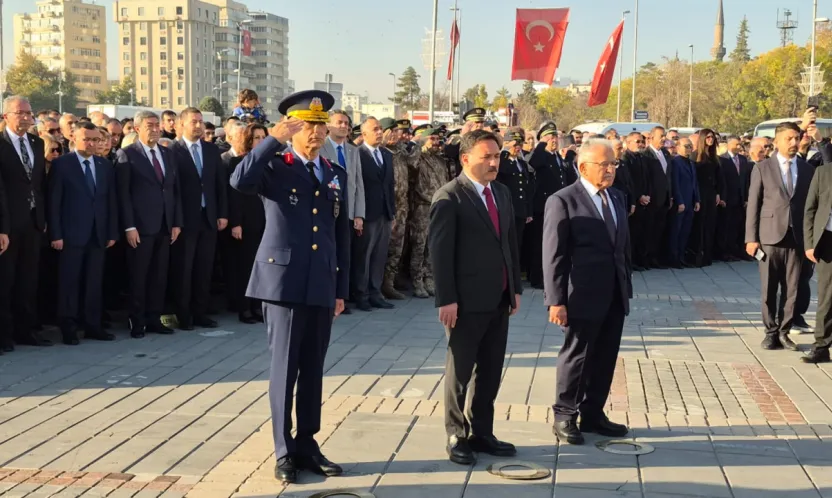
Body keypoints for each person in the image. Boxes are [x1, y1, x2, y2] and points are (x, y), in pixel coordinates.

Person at [230, 90, 349, 484]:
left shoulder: (334, 172)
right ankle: (283, 450)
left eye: (321, 124)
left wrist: (340, 286)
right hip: (282, 281)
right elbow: (239, 179)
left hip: (320, 280)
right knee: (285, 369)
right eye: (308, 125)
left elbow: (339, 234)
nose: (316, 132)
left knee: (313, 367)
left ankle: (307, 443)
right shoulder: (275, 166)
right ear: (292, 127)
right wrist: (272, 140)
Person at [429, 129, 521, 465]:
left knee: (491, 369)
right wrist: (446, 298)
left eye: (497, 156)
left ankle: (482, 430)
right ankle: (456, 433)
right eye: (488, 157)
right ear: (466, 159)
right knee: (461, 370)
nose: (495, 162)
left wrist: (514, 289)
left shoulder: (502, 193)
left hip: (497, 296)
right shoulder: (449, 197)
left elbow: (509, 243)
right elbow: (440, 253)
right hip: (465, 301)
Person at [544, 138, 632, 445]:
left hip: (614, 293)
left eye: (614, 164)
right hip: (580, 294)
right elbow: (553, 255)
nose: (610, 170)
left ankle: (593, 413)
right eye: (604, 165)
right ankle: (565, 415)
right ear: (583, 167)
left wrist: (626, 286)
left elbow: (621, 248)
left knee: (606, 356)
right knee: (577, 356)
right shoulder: (564, 200)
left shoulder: (617, 197)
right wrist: (555, 301)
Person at [47, 122, 118, 345]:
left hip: (98, 233)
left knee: (94, 282)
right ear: (74, 139)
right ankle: (68, 326)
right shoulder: (62, 165)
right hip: (71, 234)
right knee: (70, 282)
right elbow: (54, 202)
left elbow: (110, 201)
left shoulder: (104, 165)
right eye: (87, 139)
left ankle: (92, 325)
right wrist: (56, 235)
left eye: (96, 139)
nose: (92, 143)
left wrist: (112, 231)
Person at [745, 122, 813, 351]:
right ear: (777, 141)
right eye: (789, 139)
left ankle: (785, 331)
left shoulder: (805, 169)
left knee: (792, 288)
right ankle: (770, 331)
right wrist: (751, 238)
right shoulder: (763, 168)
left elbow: (809, 206)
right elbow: (753, 205)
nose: (794, 143)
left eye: (797, 138)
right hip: (769, 236)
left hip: (796, 237)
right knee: (769, 288)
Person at [116, 110, 183, 339]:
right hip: (140, 227)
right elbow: (123, 195)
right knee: (139, 275)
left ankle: (154, 318)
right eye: (149, 126)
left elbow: (173, 189)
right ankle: (137, 321)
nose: (155, 129)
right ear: (137, 128)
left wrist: (176, 222)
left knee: (159, 276)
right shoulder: (127, 155)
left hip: (165, 225)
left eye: (157, 125)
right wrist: (129, 226)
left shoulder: (167, 152)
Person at [169, 108, 228, 330]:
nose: (199, 126)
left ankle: (200, 312)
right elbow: (171, 189)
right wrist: (176, 219)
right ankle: (184, 315)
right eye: (194, 122)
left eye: (201, 122)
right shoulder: (173, 151)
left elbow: (219, 185)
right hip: (185, 219)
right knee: (184, 269)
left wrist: (222, 213)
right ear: (181, 124)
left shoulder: (211, 151)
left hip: (209, 217)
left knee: (204, 268)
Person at [0, 96, 50, 351]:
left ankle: (26, 330)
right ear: (6, 116)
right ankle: (4, 334)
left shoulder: (37, 142)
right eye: (20, 113)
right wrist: (2, 228)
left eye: (28, 113)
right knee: (5, 280)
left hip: (33, 222)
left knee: (28, 280)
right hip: (8, 225)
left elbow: (39, 184)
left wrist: (44, 218)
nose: (26, 117)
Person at [321, 110, 365, 312]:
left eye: (346, 123)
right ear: (329, 125)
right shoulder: (321, 148)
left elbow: (358, 183)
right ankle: (328, 296)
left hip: (348, 212)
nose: (344, 126)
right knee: (329, 255)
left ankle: (342, 297)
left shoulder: (352, 150)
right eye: (339, 122)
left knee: (345, 256)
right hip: (329, 210)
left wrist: (358, 214)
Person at [353, 117, 396, 311]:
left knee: (379, 255)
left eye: (380, 129)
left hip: (384, 213)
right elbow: (355, 186)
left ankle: (375, 292)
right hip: (367, 213)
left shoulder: (387, 155)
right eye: (375, 129)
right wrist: (357, 214)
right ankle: (361, 294)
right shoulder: (357, 155)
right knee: (364, 255)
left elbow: (389, 186)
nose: (380, 132)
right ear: (364, 134)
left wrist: (392, 213)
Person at [226, 123, 267, 324]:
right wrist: (236, 223)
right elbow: (235, 195)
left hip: (266, 220)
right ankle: (245, 308)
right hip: (246, 221)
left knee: (262, 266)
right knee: (246, 267)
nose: (260, 141)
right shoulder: (238, 162)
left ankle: (258, 306)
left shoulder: (271, 162)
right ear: (248, 141)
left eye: (263, 137)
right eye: (256, 137)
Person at [408, 126, 448, 298]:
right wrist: (420, 146)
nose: (435, 142)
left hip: (438, 207)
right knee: (419, 245)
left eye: (437, 139)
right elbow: (411, 165)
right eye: (431, 138)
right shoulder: (419, 157)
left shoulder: (439, 160)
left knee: (433, 246)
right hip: (422, 207)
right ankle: (417, 281)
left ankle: (429, 279)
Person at [528, 122, 567, 288]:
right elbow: (534, 162)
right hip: (543, 205)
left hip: (557, 204)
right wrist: (542, 143)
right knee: (540, 243)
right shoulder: (541, 155)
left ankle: (551, 274)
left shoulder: (557, 156)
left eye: (555, 137)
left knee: (555, 242)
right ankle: (537, 277)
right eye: (550, 137)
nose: (554, 140)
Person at [802, 160, 832, 363]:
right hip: (828, 240)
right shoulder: (823, 172)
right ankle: (821, 345)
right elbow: (810, 209)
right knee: (827, 295)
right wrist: (810, 243)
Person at [380, 118, 413, 300]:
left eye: (395, 131)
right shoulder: (380, 152)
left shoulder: (400, 152)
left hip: (402, 206)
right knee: (382, 248)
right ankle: (378, 285)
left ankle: (389, 283)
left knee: (397, 247)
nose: (394, 135)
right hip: (387, 206)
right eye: (389, 131)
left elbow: (414, 161)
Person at [497, 129, 533, 263]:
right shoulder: (502, 160)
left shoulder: (521, 164)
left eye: (520, 145)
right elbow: (501, 171)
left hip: (520, 210)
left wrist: (528, 211)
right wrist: (505, 150)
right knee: (506, 242)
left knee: (517, 244)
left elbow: (526, 189)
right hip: (506, 209)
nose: (518, 148)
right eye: (514, 144)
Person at [689, 130, 723, 267]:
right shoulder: (695, 155)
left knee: (710, 224)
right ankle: (697, 254)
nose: (711, 139)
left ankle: (708, 254)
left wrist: (718, 193)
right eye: (708, 137)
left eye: (713, 137)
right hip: (700, 193)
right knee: (700, 224)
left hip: (711, 193)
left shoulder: (714, 156)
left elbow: (717, 177)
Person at [717, 135, 753, 262]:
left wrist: (746, 197)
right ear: (728, 145)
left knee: (738, 225)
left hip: (740, 199)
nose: (739, 147)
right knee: (726, 226)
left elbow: (745, 181)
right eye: (736, 144)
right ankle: (724, 251)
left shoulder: (743, 160)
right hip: (727, 199)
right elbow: (721, 181)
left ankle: (737, 250)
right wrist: (722, 197)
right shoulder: (722, 160)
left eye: (740, 145)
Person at [644, 126, 673, 268]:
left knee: (660, 229)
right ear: (651, 137)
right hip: (652, 199)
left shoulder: (666, 154)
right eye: (661, 136)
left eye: (664, 136)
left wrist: (671, 195)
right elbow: (646, 178)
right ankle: (646, 258)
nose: (663, 139)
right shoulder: (646, 155)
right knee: (649, 230)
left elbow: (669, 177)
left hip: (665, 198)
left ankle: (656, 257)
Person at [668, 138, 700, 268]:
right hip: (681, 203)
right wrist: (679, 201)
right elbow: (675, 183)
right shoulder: (675, 162)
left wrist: (697, 199)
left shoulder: (691, 163)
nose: (689, 149)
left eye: (691, 146)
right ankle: (674, 258)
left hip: (690, 202)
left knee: (685, 231)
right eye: (686, 146)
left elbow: (694, 183)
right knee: (676, 231)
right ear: (678, 147)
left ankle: (681, 256)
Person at [623, 132, 651, 271]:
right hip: (634, 201)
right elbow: (629, 182)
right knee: (632, 233)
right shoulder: (626, 158)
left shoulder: (642, 157)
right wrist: (638, 196)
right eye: (637, 141)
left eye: (642, 141)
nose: (640, 144)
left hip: (644, 201)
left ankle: (641, 260)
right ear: (628, 143)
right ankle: (631, 261)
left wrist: (647, 194)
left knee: (642, 232)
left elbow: (646, 178)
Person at [445, 108, 486, 178]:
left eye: (481, 122)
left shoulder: (486, 138)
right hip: (465, 180)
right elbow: (450, 153)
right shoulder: (458, 138)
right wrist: (463, 135)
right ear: (468, 124)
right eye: (476, 122)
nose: (479, 125)